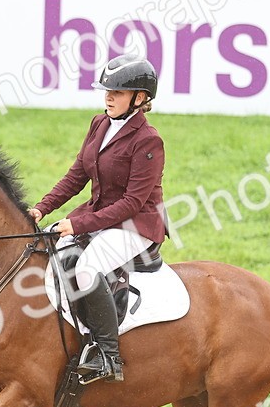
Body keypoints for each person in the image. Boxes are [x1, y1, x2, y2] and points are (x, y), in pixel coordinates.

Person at [28, 53, 167, 384]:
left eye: (117, 92)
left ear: (140, 98)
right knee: (51, 256)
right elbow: (77, 175)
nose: (108, 97)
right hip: (98, 216)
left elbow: (133, 202)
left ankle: (108, 355)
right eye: (107, 90)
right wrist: (41, 208)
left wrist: (77, 225)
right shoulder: (99, 123)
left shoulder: (149, 140)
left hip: (137, 224)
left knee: (87, 269)